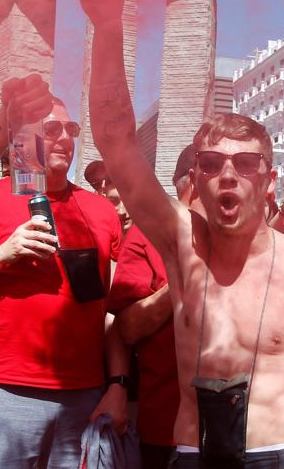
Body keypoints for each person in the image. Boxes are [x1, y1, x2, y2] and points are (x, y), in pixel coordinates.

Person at [79, 0, 284, 467]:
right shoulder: (184, 251)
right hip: (190, 452)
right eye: (211, 165)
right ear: (197, 180)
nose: (228, 175)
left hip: (279, 453)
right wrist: (110, 26)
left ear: (268, 180)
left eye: (245, 164)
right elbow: (115, 141)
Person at [0, 98, 128, 468]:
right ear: (21, 138)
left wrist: (117, 383)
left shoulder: (101, 211)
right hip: (1, 392)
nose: (65, 139)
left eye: (72, 130)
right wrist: (1, 256)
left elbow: (112, 312)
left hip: (82, 397)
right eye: (52, 130)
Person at [107, 148, 196, 469]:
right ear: (187, 181)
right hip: (166, 429)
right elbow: (126, 328)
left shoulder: (246, 238)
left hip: (243, 429)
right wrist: (182, 283)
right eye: (209, 168)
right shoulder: (147, 235)